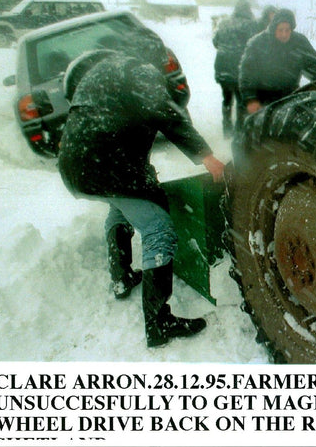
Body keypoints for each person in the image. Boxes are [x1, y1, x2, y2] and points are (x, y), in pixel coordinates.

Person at [57, 45, 226, 348]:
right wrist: (206, 156)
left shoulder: (104, 72)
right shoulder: (140, 71)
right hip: (105, 164)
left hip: (78, 164)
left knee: (121, 203)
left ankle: (121, 277)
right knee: (158, 229)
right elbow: (166, 114)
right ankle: (159, 323)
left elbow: (116, 124)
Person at [239, 8, 316, 114]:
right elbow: (247, 73)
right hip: (263, 97)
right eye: (280, 30)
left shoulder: (299, 42)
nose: (284, 34)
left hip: (290, 97)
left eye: (287, 30)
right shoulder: (258, 43)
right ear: (274, 28)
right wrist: (251, 99)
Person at [212, 0, 258, 137]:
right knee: (241, 101)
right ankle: (239, 130)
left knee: (226, 99)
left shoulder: (224, 23)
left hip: (222, 66)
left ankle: (227, 129)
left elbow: (215, 42)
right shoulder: (250, 24)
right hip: (239, 68)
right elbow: (254, 45)